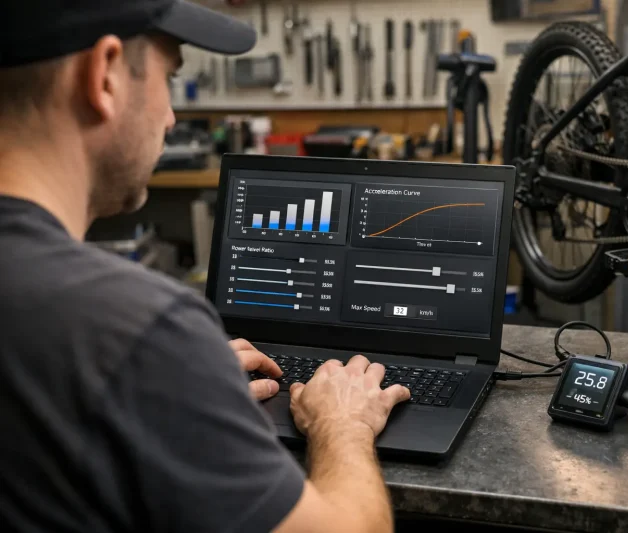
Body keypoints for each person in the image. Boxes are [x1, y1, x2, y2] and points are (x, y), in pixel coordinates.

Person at [0, 1, 410, 532]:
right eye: (170, 78)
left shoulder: (122, 344)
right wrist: (343, 426)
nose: (171, 117)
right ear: (104, 76)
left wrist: (175, 389)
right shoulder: (137, 329)